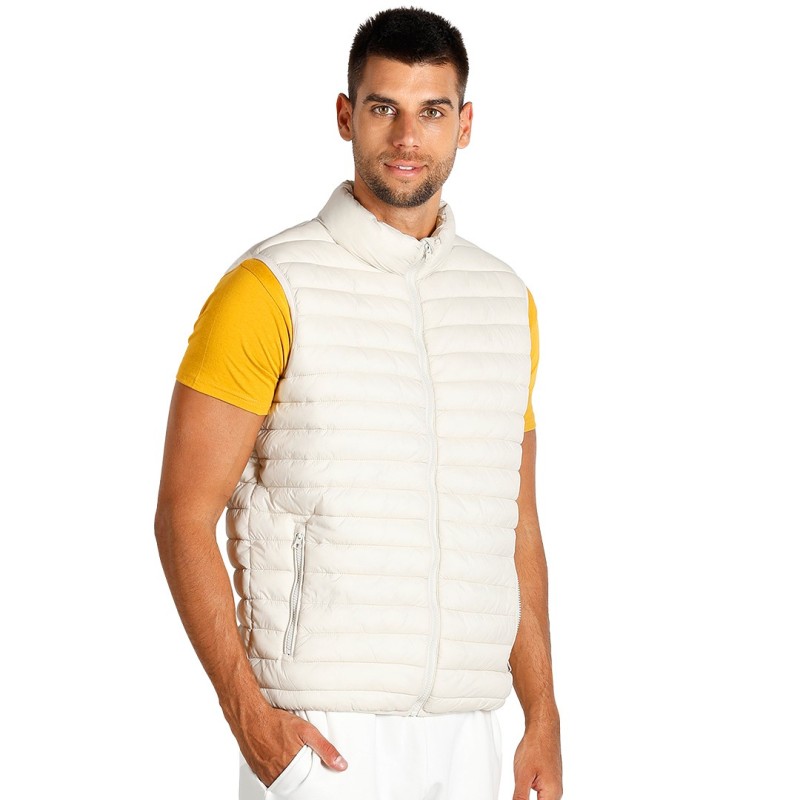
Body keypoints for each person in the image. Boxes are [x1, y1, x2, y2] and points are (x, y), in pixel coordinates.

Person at [154, 7, 562, 799]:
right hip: (321, 731)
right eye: (384, 108)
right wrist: (249, 717)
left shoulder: (504, 301)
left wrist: (540, 714)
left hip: (469, 731)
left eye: (432, 112)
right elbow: (181, 513)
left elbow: (516, 523)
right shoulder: (268, 287)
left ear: (465, 124)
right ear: (346, 116)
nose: (408, 137)